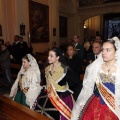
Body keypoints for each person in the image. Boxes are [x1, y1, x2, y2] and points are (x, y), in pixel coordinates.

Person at [71, 36, 120, 120]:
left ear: (116, 52)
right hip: (96, 103)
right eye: (103, 49)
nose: (104, 52)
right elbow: (87, 87)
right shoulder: (96, 67)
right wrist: (83, 102)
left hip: (114, 105)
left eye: (108, 50)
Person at [33, 48, 81, 120]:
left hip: (61, 97)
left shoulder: (65, 69)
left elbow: (77, 83)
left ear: (58, 57)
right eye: (48, 55)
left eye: (51, 56)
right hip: (47, 95)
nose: (48, 58)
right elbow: (46, 82)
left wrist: (71, 94)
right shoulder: (47, 68)